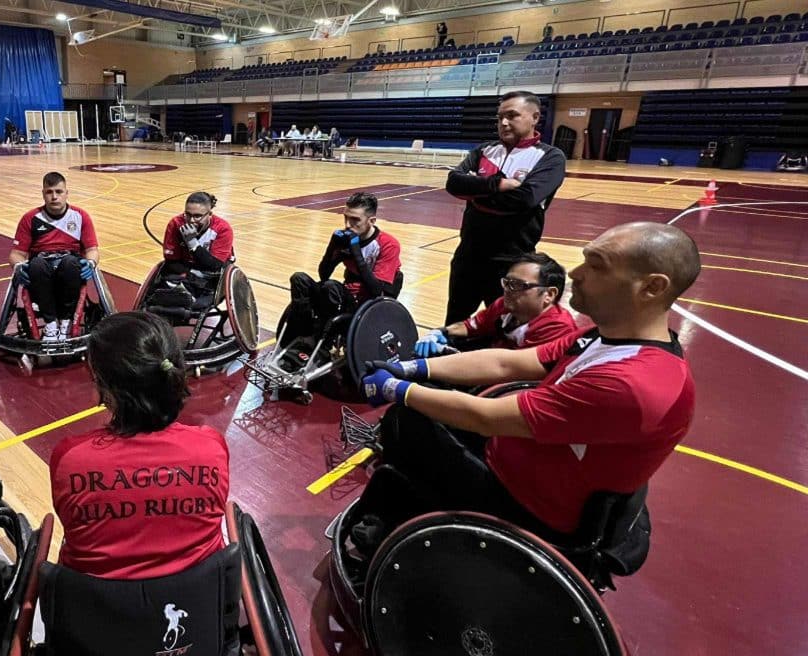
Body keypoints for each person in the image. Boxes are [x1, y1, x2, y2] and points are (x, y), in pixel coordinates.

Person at [359, 222, 700, 541]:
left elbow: (484, 417)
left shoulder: (633, 385)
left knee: (408, 421)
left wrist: (396, 389)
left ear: (653, 287)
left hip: (527, 506)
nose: (575, 274)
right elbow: (506, 363)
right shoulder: (603, 337)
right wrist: (414, 369)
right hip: (519, 462)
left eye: (597, 266)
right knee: (422, 410)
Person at [49, 312, 229, 580]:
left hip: (94, 610)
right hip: (196, 607)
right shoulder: (211, 448)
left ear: (105, 387)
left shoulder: (70, 459)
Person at [444, 90, 567, 325]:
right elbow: (453, 183)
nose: (503, 122)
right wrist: (498, 184)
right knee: (454, 322)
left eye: (512, 115)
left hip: (513, 264)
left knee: (504, 327)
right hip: (468, 256)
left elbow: (524, 199)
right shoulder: (483, 151)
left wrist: (475, 192)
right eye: (499, 117)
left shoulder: (550, 157)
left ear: (535, 117)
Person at [282, 192, 402, 348]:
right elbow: (323, 274)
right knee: (299, 279)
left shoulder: (388, 244)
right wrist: (332, 248)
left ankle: (323, 343)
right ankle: (305, 336)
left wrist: (356, 252)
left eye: (355, 220)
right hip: (344, 295)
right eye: (346, 217)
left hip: (365, 303)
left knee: (331, 287)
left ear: (371, 221)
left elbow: (376, 290)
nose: (347, 225)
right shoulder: (345, 238)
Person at [415, 252, 577, 356]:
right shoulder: (506, 306)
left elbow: (510, 369)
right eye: (507, 282)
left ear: (549, 294)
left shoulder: (556, 327)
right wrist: (439, 333)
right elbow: (472, 326)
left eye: (518, 285)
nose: (507, 290)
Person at [9, 172, 101, 341]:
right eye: (49, 192)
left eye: (59, 192)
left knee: (70, 263)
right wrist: (18, 266)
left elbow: (92, 249)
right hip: (41, 269)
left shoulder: (81, 216)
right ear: (43, 194)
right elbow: (16, 254)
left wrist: (91, 262)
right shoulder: (30, 218)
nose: (54, 197)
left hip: (69, 268)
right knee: (36, 265)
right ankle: (50, 325)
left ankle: (66, 322)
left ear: (67, 193)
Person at [162, 192, 234, 274]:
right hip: (187, 267)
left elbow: (215, 265)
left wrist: (192, 242)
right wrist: (192, 274)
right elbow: (171, 260)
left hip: (214, 268)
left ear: (209, 214)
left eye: (197, 216)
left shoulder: (223, 228)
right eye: (188, 214)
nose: (191, 220)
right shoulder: (176, 224)